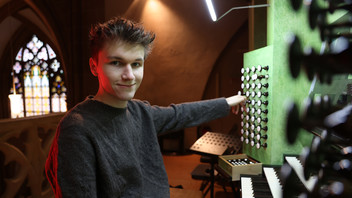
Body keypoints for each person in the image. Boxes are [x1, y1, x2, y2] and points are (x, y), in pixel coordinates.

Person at [45, 17, 246, 198]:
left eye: (136, 64)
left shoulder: (140, 112)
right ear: (94, 66)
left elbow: (181, 114)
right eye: (116, 63)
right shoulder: (76, 129)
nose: (129, 75)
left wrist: (226, 103)